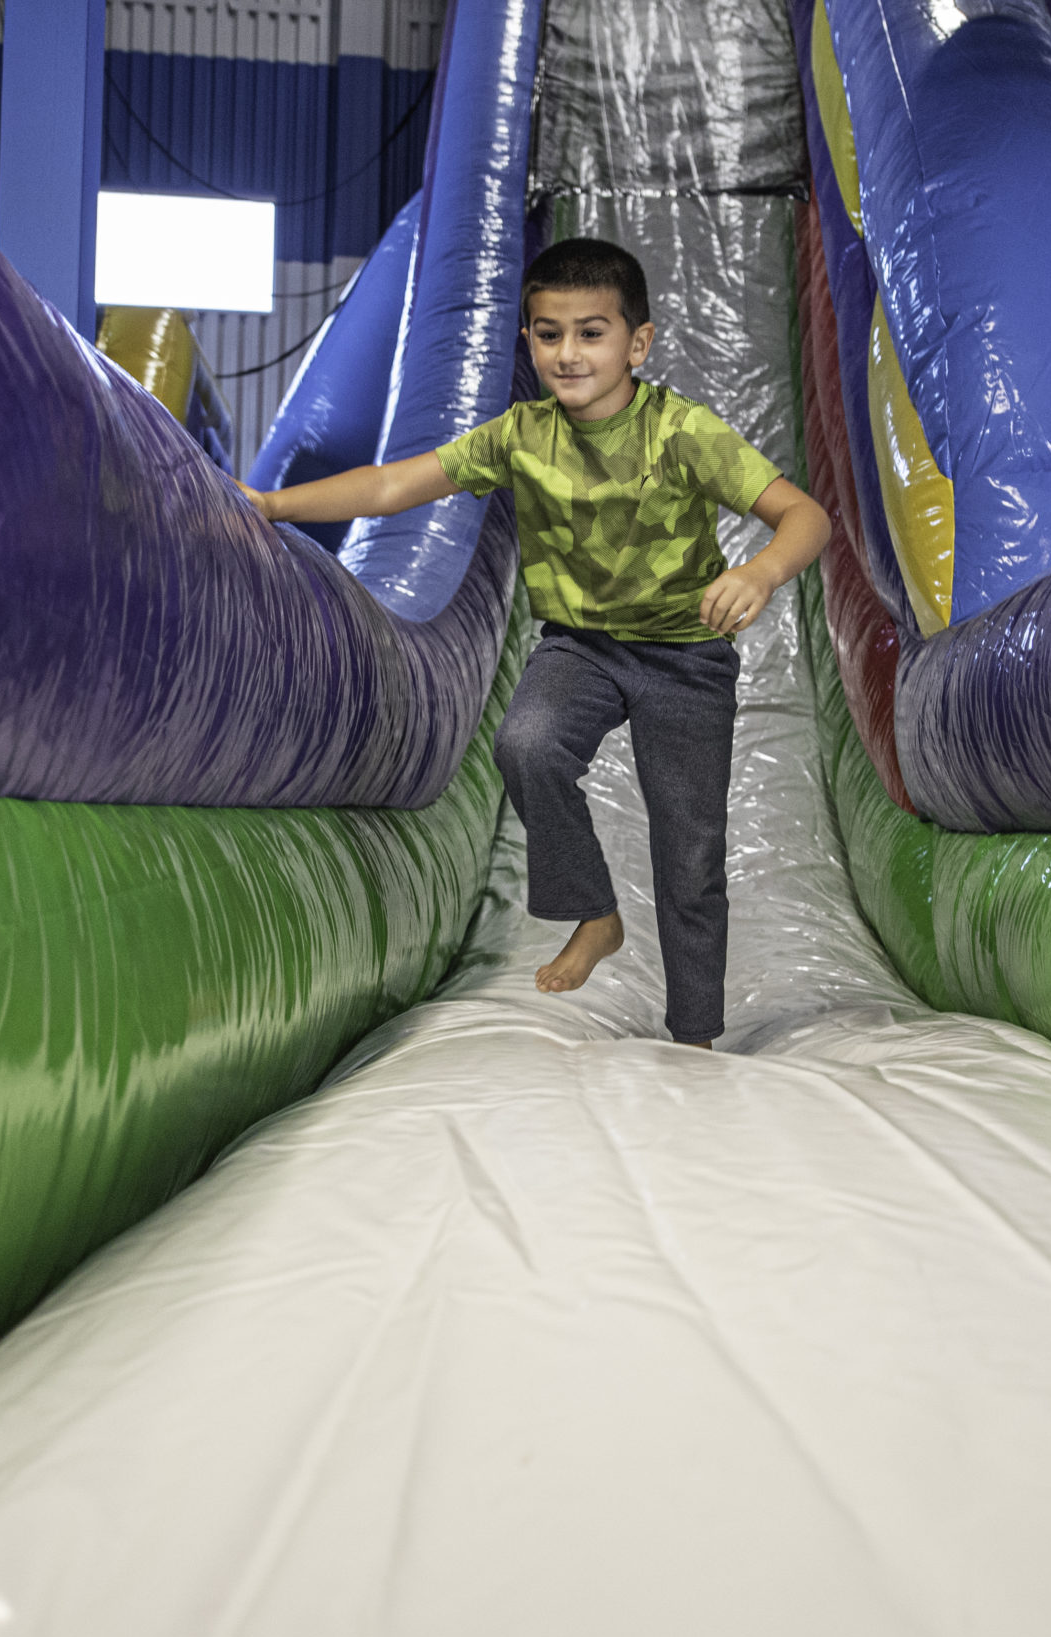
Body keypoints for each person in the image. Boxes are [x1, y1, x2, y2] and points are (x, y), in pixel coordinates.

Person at [241, 238, 831, 1049]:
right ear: (526, 340)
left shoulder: (682, 431)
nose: (569, 352)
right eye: (548, 333)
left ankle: (694, 1036)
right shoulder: (520, 436)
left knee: (689, 855)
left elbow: (807, 516)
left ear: (639, 342)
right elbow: (390, 486)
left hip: (684, 657)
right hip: (580, 647)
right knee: (527, 743)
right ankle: (594, 912)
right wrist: (269, 505)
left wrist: (761, 573)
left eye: (592, 332)